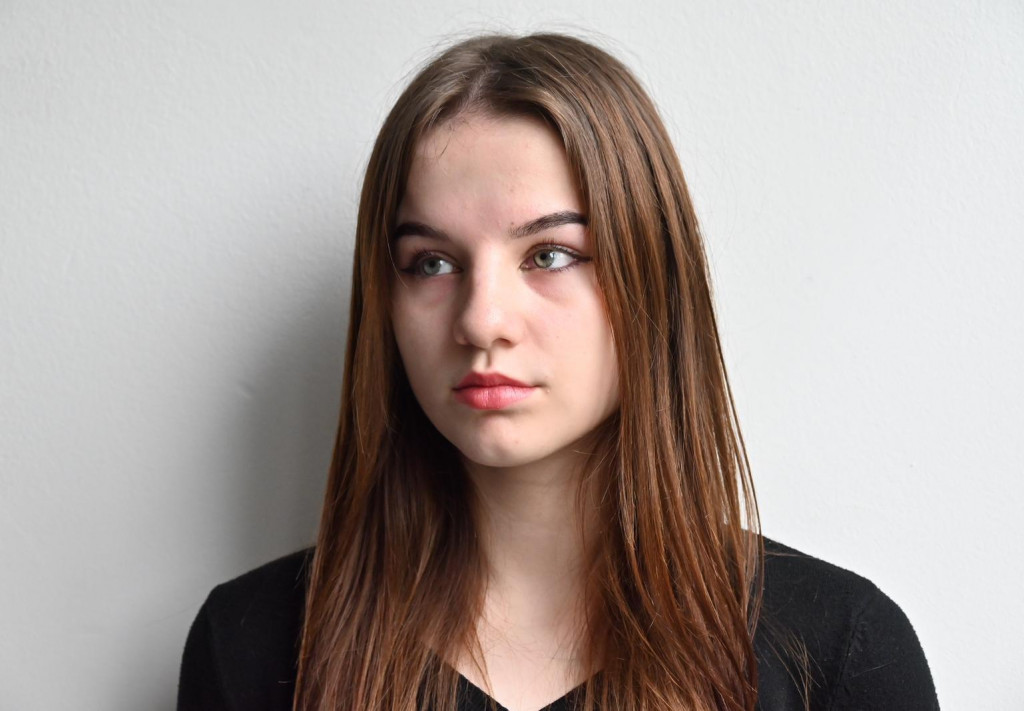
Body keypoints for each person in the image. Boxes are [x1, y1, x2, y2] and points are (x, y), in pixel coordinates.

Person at [177, 33, 939, 711]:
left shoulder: (839, 653)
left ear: (652, 277)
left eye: (550, 254)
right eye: (431, 262)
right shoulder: (251, 647)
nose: (482, 320)